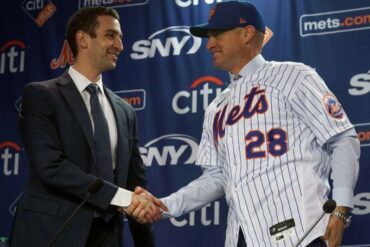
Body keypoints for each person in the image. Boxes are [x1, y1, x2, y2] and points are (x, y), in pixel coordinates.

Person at [131, 2, 360, 247]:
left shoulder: (294, 76)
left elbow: (342, 138)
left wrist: (341, 207)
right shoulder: (217, 107)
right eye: (208, 36)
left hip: (301, 232)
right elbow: (217, 177)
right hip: (242, 237)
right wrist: (165, 205)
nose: (209, 44)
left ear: (246, 33)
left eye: (217, 34)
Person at [10, 6, 166, 247]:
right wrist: (121, 198)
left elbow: (134, 185)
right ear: (82, 39)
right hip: (51, 234)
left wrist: (145, 242)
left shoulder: (125, 111)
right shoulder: (42, 95)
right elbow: (50, 167)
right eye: (110, 35)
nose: (120, 46)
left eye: (120, 37)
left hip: (107, 236)